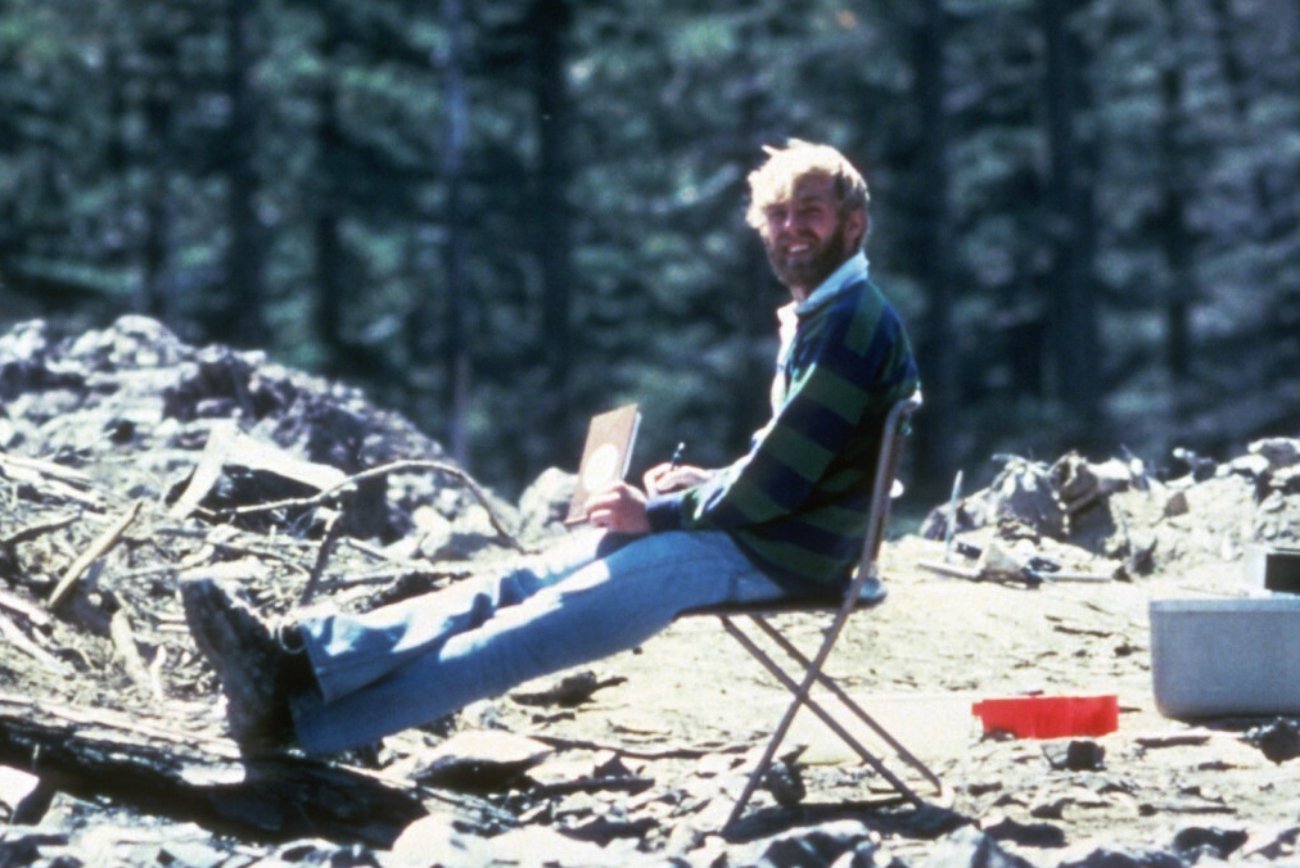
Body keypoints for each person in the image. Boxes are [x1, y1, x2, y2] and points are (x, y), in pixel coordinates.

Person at [182, 139, 920, 754]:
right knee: (514, 586)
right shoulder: (830, 311)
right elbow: (792, 457)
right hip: (771, 533)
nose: (791, 229)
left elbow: (781, 482)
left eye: (811, 214)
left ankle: (294, 724)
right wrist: (701, 481)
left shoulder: (851, 323)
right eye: (779, 214)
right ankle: (297, 662)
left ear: (853, 226)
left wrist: (659, 514)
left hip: (782, 551)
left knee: (529, 631)